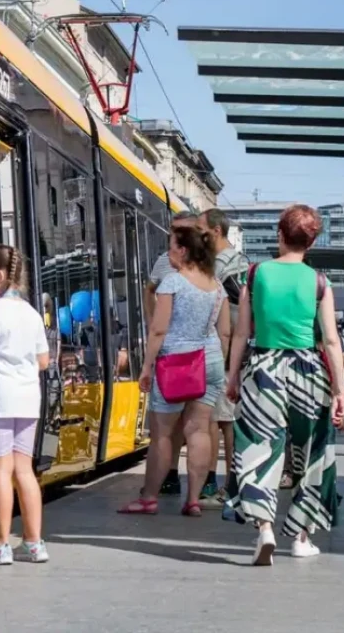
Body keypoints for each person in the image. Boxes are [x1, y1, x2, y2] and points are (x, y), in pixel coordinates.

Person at [225, 204, 344, 566]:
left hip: (264, 367)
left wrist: (233, 376)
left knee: (258, 450)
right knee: (312, 455)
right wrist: (339, 392)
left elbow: (242, 332)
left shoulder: (255, 274)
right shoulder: (319, 282)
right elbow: (330, 341)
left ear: (280, 235)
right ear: (311, 242)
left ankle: (264, 529)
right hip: (309, 372)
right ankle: (301, 536)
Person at [119, 225, 230, 517]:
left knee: (163, 434)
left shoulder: (172, 282)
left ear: (183, 251)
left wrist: (146, 367)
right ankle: (193, 499)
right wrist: (222, 362)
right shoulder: (216, 286)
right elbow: (226, 332)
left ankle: (149, 498)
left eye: (171, 247)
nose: (168, 253)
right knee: (198, 429)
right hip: (211, 361)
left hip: (177, 364)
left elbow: (158, 329)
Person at [0, 244, 51, 565]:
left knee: (0, 471)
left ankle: (0, 545)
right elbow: (44, 361)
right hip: (28, 400)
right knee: (25, 471)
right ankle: (33, 544)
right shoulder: (31, 314)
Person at [142, 209, 200, 496]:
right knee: (170, 422)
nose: (177, 238)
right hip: (171, 352)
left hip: (197, 352)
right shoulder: (164, 263)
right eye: (174, 232)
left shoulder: (205, 264)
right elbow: (149, 289)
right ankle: (172, 474)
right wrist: (153, 320)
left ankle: (199, 486)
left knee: (196, 424)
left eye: (184, 231)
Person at [195, 208, 246, 508]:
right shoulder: (238, 262)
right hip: (227, 351)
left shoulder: (223, 267)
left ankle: (230, 485)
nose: (197, 233)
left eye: (200, 227)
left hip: (225, 352)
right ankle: (218, 481)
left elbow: (230, 317)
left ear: (215, 231)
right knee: (218, 419)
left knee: (225, 421)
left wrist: (227, 360)